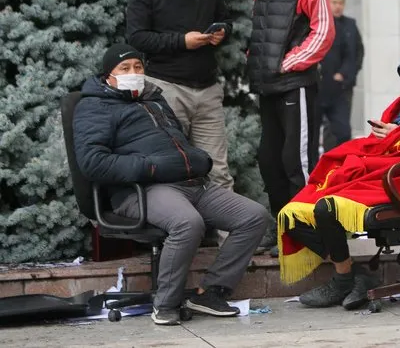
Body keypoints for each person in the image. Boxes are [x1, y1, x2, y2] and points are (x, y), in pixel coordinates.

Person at [73, 44, 269, 326]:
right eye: (124, 69)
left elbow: (176, 142)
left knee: (253, 216)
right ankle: (165, 304)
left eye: (138, 67)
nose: (134, 73)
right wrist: (150, 167)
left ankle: (210, 292)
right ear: (108, 76)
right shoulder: (94, 106)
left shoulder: (153, 98)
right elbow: (93, 162)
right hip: (141, 190)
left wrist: (197, 159)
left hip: (190, 183)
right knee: (187, 223)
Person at [276, 47, 400, 310]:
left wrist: (395, 135)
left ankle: (344, 279)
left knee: (325, 207)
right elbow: (399, 139)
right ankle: (355, 276)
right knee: (293, 214)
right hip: (389, 168)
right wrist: (390, 136)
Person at [244, 0, 335, 256]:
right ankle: (289, 237)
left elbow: (323, 30)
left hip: (295, 85)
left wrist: (288, 63)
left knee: (297, 164)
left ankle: (320, 242)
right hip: (268, 86)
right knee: (269, 162)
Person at [126, 0, 234, 192]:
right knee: (171, 169)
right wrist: (182, 41)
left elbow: (226, 20)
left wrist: (222, 33)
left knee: (218, 170)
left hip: (207, 89)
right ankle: (182, 232)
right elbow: (137, 38)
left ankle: (228, 234)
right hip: (166, 88)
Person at [318, 0, 363, 152]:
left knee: (343, 130)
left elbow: (358, 53)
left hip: (343, 86)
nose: (338, 6)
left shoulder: (350, 25)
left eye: (340, 3)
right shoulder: (320, 24)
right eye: (334, 2)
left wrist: (345, 74)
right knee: (324, 130)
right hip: (321, 85)